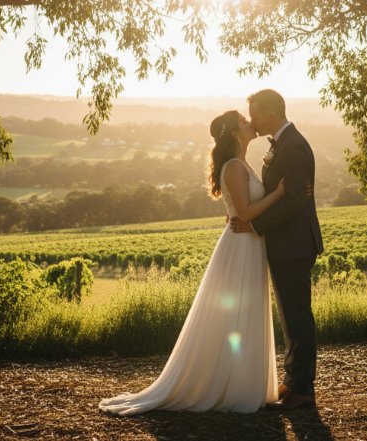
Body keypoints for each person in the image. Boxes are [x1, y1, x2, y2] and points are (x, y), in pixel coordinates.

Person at [99, 110, 282, 415]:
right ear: (235, 133)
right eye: (244, 122)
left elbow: (241, 210)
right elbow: (246, 213)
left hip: (249, 244)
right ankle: (229, 386)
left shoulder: (242, 164)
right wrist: (279, 194)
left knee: (243, 313)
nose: (251, 123)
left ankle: (240, 383)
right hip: (240, 246)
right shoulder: (235, 167)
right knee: (234, 314)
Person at [231, 89, 324, 410]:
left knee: (297, 317)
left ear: (271, 114)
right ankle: (292, 380)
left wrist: (256, 225)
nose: (252, 120)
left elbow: (297, 200)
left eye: (254, 114)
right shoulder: (283, 143)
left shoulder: (294, 146)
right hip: (285, 242)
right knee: (289, 316)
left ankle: (303, 390)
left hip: (294, 243)